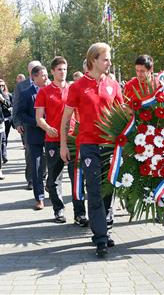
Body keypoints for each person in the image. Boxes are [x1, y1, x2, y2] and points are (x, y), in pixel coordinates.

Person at [60, 43, 123, 257]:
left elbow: (122, 113)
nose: (109, 62)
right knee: (94, 190)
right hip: (88, 145)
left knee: (108, 189)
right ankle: (100, 238)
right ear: (93, 60)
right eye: (105, 59)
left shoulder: (113, 85)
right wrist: (62, 144)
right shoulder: (78, 87)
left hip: (109, 145)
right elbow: (66, 118)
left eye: (109, 58)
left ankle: (104, 228)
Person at [35, 56, 87, 224]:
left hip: (73, 139)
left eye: (64, 69)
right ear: (52, 71)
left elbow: (79, 113)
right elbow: (39, 118)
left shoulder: (73, 89)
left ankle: (80, 214)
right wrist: (47, 127)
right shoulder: (44, 91)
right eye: (59, 69)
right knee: (54, 178)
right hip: (53, 139)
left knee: (76, 177)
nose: (62, 72)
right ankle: (58, 210)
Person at [16, 65, 49, 210]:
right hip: (34, 134)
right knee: (36, 167)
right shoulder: (26, 93)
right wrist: (36, 122)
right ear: (34, 77)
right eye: (42, 75)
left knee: (52, 166)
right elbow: (20, 113)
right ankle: (39, 198)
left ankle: (53, 192)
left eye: (47, 74)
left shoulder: (51, 91)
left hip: (51, 134)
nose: (46, 77)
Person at [12, 61, 43, 190]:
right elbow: (16, 106)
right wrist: (17, 123)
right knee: (30, 153)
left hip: (45, 125)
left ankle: (43, 176)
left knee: (45, 154)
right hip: (28, 125)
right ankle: (31, 178)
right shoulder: (21, 86)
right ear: (30, 72)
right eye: (31, 70)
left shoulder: (45, 85)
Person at [0, 78, 13, 164]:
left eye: (3, 85)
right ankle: (3, 155)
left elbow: (12, 105)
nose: (1, 87)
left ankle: (3, 153)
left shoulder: (8, 95)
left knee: (5, 137)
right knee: (2, 138)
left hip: (8, 119)